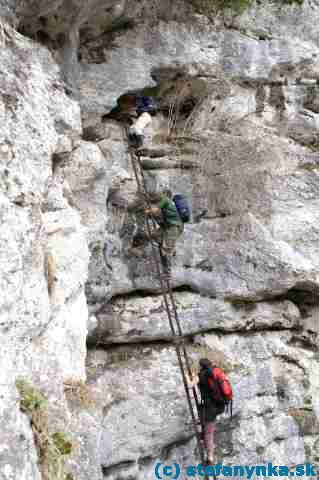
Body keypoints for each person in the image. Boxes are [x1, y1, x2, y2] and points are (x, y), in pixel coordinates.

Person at [186, 359, 228, 464]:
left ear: (201, 366)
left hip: (210, 408)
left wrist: (187, 376)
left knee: (209, 432)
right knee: (208, 428)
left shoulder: (201, 375)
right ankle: (206, 443)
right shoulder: (215, 372)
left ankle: (210, 457)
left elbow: (190, 385)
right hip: (219, 405)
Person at [144, 188, 184, 275]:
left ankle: (167, 272)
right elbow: (157, 214)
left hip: (173, 227)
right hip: (166, 227)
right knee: (153, 235)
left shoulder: (165, 200)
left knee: (165, 249)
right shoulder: (164, 204)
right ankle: (169, 248)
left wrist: (147, 211)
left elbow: (155, 210)